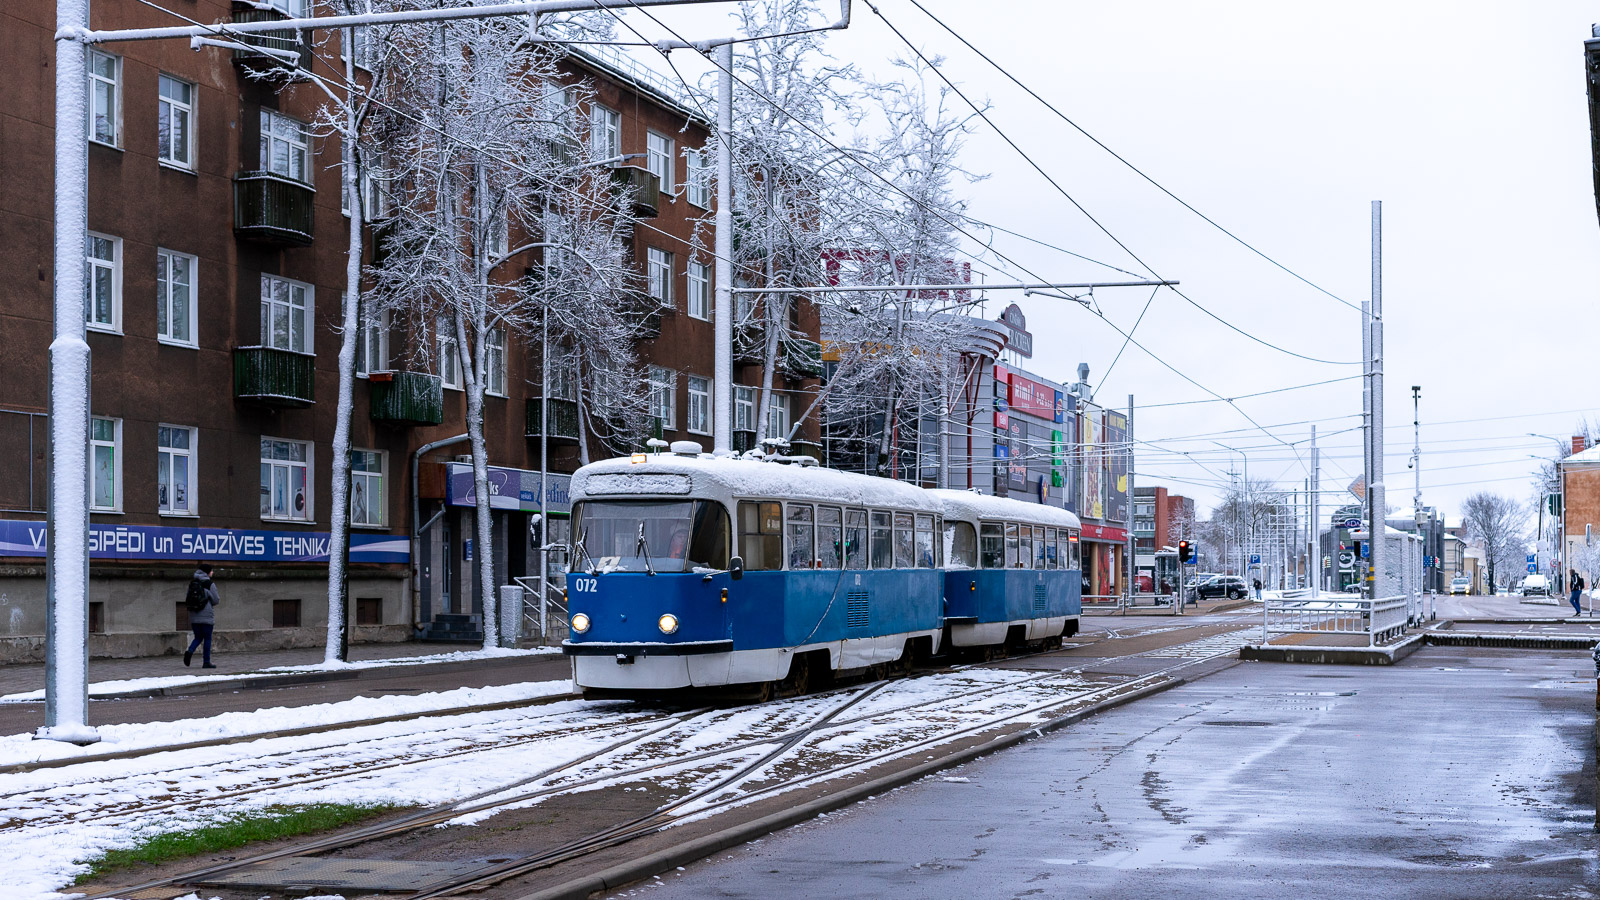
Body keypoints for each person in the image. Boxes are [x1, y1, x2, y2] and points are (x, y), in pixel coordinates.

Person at [184, 562, 220, 669]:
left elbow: (187, 598)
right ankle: (206, 662)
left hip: (194, 615)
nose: (212, 572)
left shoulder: (193, 583)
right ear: (207, 572)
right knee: (207, 638)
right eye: (211, 571)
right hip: (207, 616)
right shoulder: (209, 584)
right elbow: (216, 600)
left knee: (198, 637)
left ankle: (190, 651)